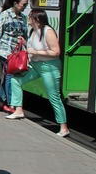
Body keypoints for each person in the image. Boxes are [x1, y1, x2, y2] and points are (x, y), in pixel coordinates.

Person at [5, 8, 70, 137]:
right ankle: (18, 110)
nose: (28, 18)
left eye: (30, 17)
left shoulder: (48, 31)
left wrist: (35, 52)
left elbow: (56, 52)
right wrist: (24, 43)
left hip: (49, 67)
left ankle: (64, 127)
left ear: (37, 19)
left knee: (53, 96)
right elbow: (32, 48)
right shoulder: (33, 31)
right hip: (35, 65)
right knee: (15, 80)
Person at [0, 0, 29, 111]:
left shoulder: (23, 17)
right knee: (10, 76)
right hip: (4, 50)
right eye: (23, 4)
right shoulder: (5, 15)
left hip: (16, 52)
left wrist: (24, 41)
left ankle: (1, 102)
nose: (25, 7)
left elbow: (25, 34)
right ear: (16, 3)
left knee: (8, 76)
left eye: (26, 5)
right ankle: (11, 103)